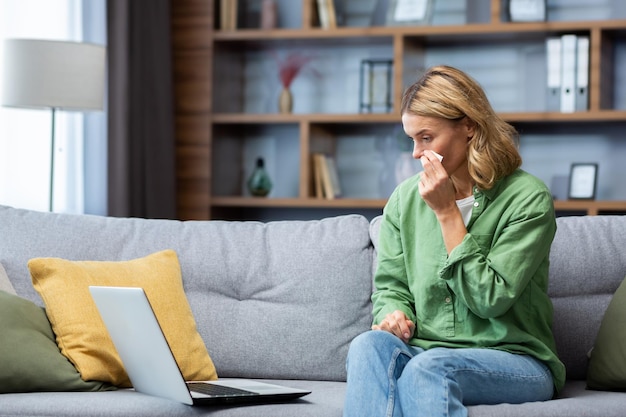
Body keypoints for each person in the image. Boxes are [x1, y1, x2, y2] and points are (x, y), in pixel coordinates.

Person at [343, 65, 565, 417]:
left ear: (470, 127)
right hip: (426, 351)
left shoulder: (528, 199)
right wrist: (393, 315)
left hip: (514, 359)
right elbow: (391, 287)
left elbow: (489, 299)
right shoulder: (404, 200)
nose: (416, 153)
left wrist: (447, 212)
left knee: (429, 368)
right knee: (368, 346)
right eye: (411, 139)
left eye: (426, 138)